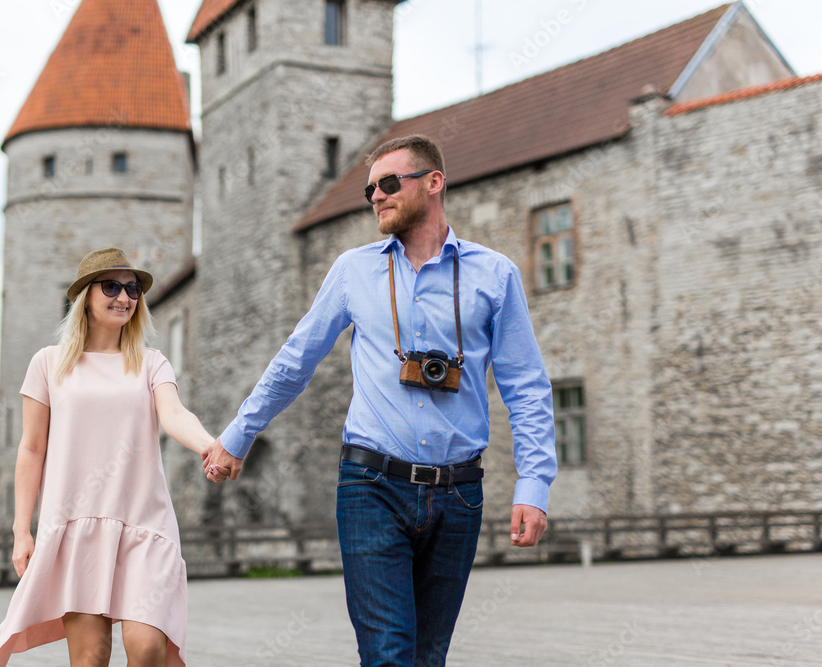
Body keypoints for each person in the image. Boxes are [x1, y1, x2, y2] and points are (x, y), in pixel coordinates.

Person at [202, 135, 558, 666]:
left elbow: (526, 385)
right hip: (370, 486)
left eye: (389, 183)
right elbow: (295, 360)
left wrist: (534, 483)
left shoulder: (495, 275)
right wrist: (239, 434)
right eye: (371, 188)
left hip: (459, 493)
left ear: (433, 183)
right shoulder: (353, 271)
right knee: (389, 654)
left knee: (427, 656)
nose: (376, 196)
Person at [0, 247, 220, 667]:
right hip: (77, 527)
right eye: (111, 286)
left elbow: (175, 414)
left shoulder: (151, 363)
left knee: (147, 648)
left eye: (132, 289)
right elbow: (32, 448)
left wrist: (210, 445)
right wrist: (22, 530)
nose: (124, 297)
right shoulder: (48, 363)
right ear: (84, 296)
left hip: (143, 523)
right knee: (91, 656)